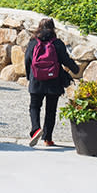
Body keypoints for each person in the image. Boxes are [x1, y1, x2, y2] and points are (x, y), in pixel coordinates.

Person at [24, 18, 79, 147]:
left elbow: (27, 60)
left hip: (36, 80)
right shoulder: (57, 43)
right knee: (51, 110)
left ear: (39, 27)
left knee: (34, 107)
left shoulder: (33, 42)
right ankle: (47, 139)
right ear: (53, 28)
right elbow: (66, 60)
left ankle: (36, 129)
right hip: (54, 81)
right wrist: (75, 69)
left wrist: (29, 76)